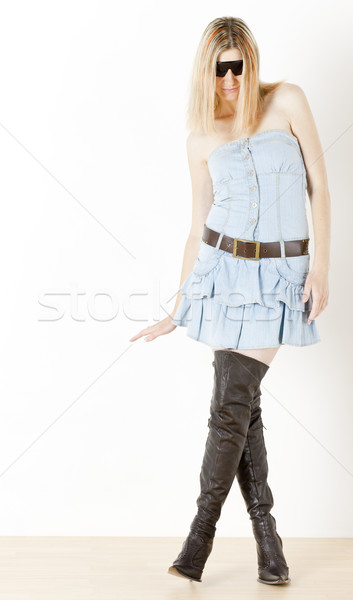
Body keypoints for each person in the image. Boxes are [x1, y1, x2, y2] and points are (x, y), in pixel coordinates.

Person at [129, 16, 330, 586]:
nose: (230, 79)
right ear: (205, 70)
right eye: (219, 69)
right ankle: (269, 542)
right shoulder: (199, 138)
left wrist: (323, 265)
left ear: (252, 61)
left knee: (231, 402)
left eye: (239, 66)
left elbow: (321, 180)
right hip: (221, 272)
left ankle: (200, 535)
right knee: (241, 409)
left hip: (278, 274)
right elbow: (197, 227)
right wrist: (181, 303)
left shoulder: (286, 101)